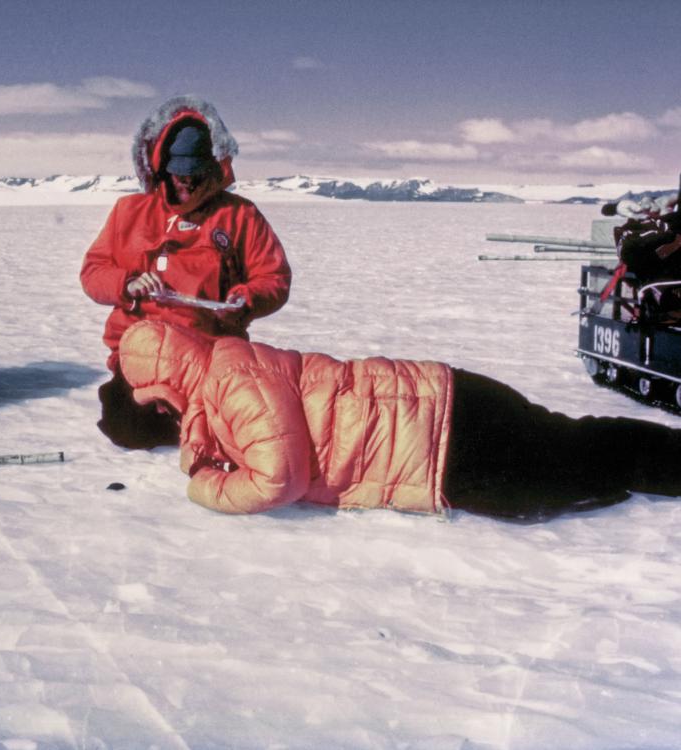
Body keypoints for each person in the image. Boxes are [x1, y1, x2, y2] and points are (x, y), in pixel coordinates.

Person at [117, 319, 681, 521]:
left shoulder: (232, 380)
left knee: (573, 468)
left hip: (442, 435)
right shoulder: (222, 372)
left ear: (163, 384)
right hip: (443, 412)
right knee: (577, 456)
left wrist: (207, 487)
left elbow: (276, 478)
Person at [80, 96, 292, 449]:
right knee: (127, 427)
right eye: (180, 175)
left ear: (213, 168)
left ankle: (196, 414)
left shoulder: (240, 216)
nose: (187, 185)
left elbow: (274, 278)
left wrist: (247, 298)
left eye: (196, 175)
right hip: (142, 352)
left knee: (238, 429)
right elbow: (93, 272)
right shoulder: (129, 212)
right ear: (161, 167)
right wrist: (128, 283)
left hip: (210, 351)